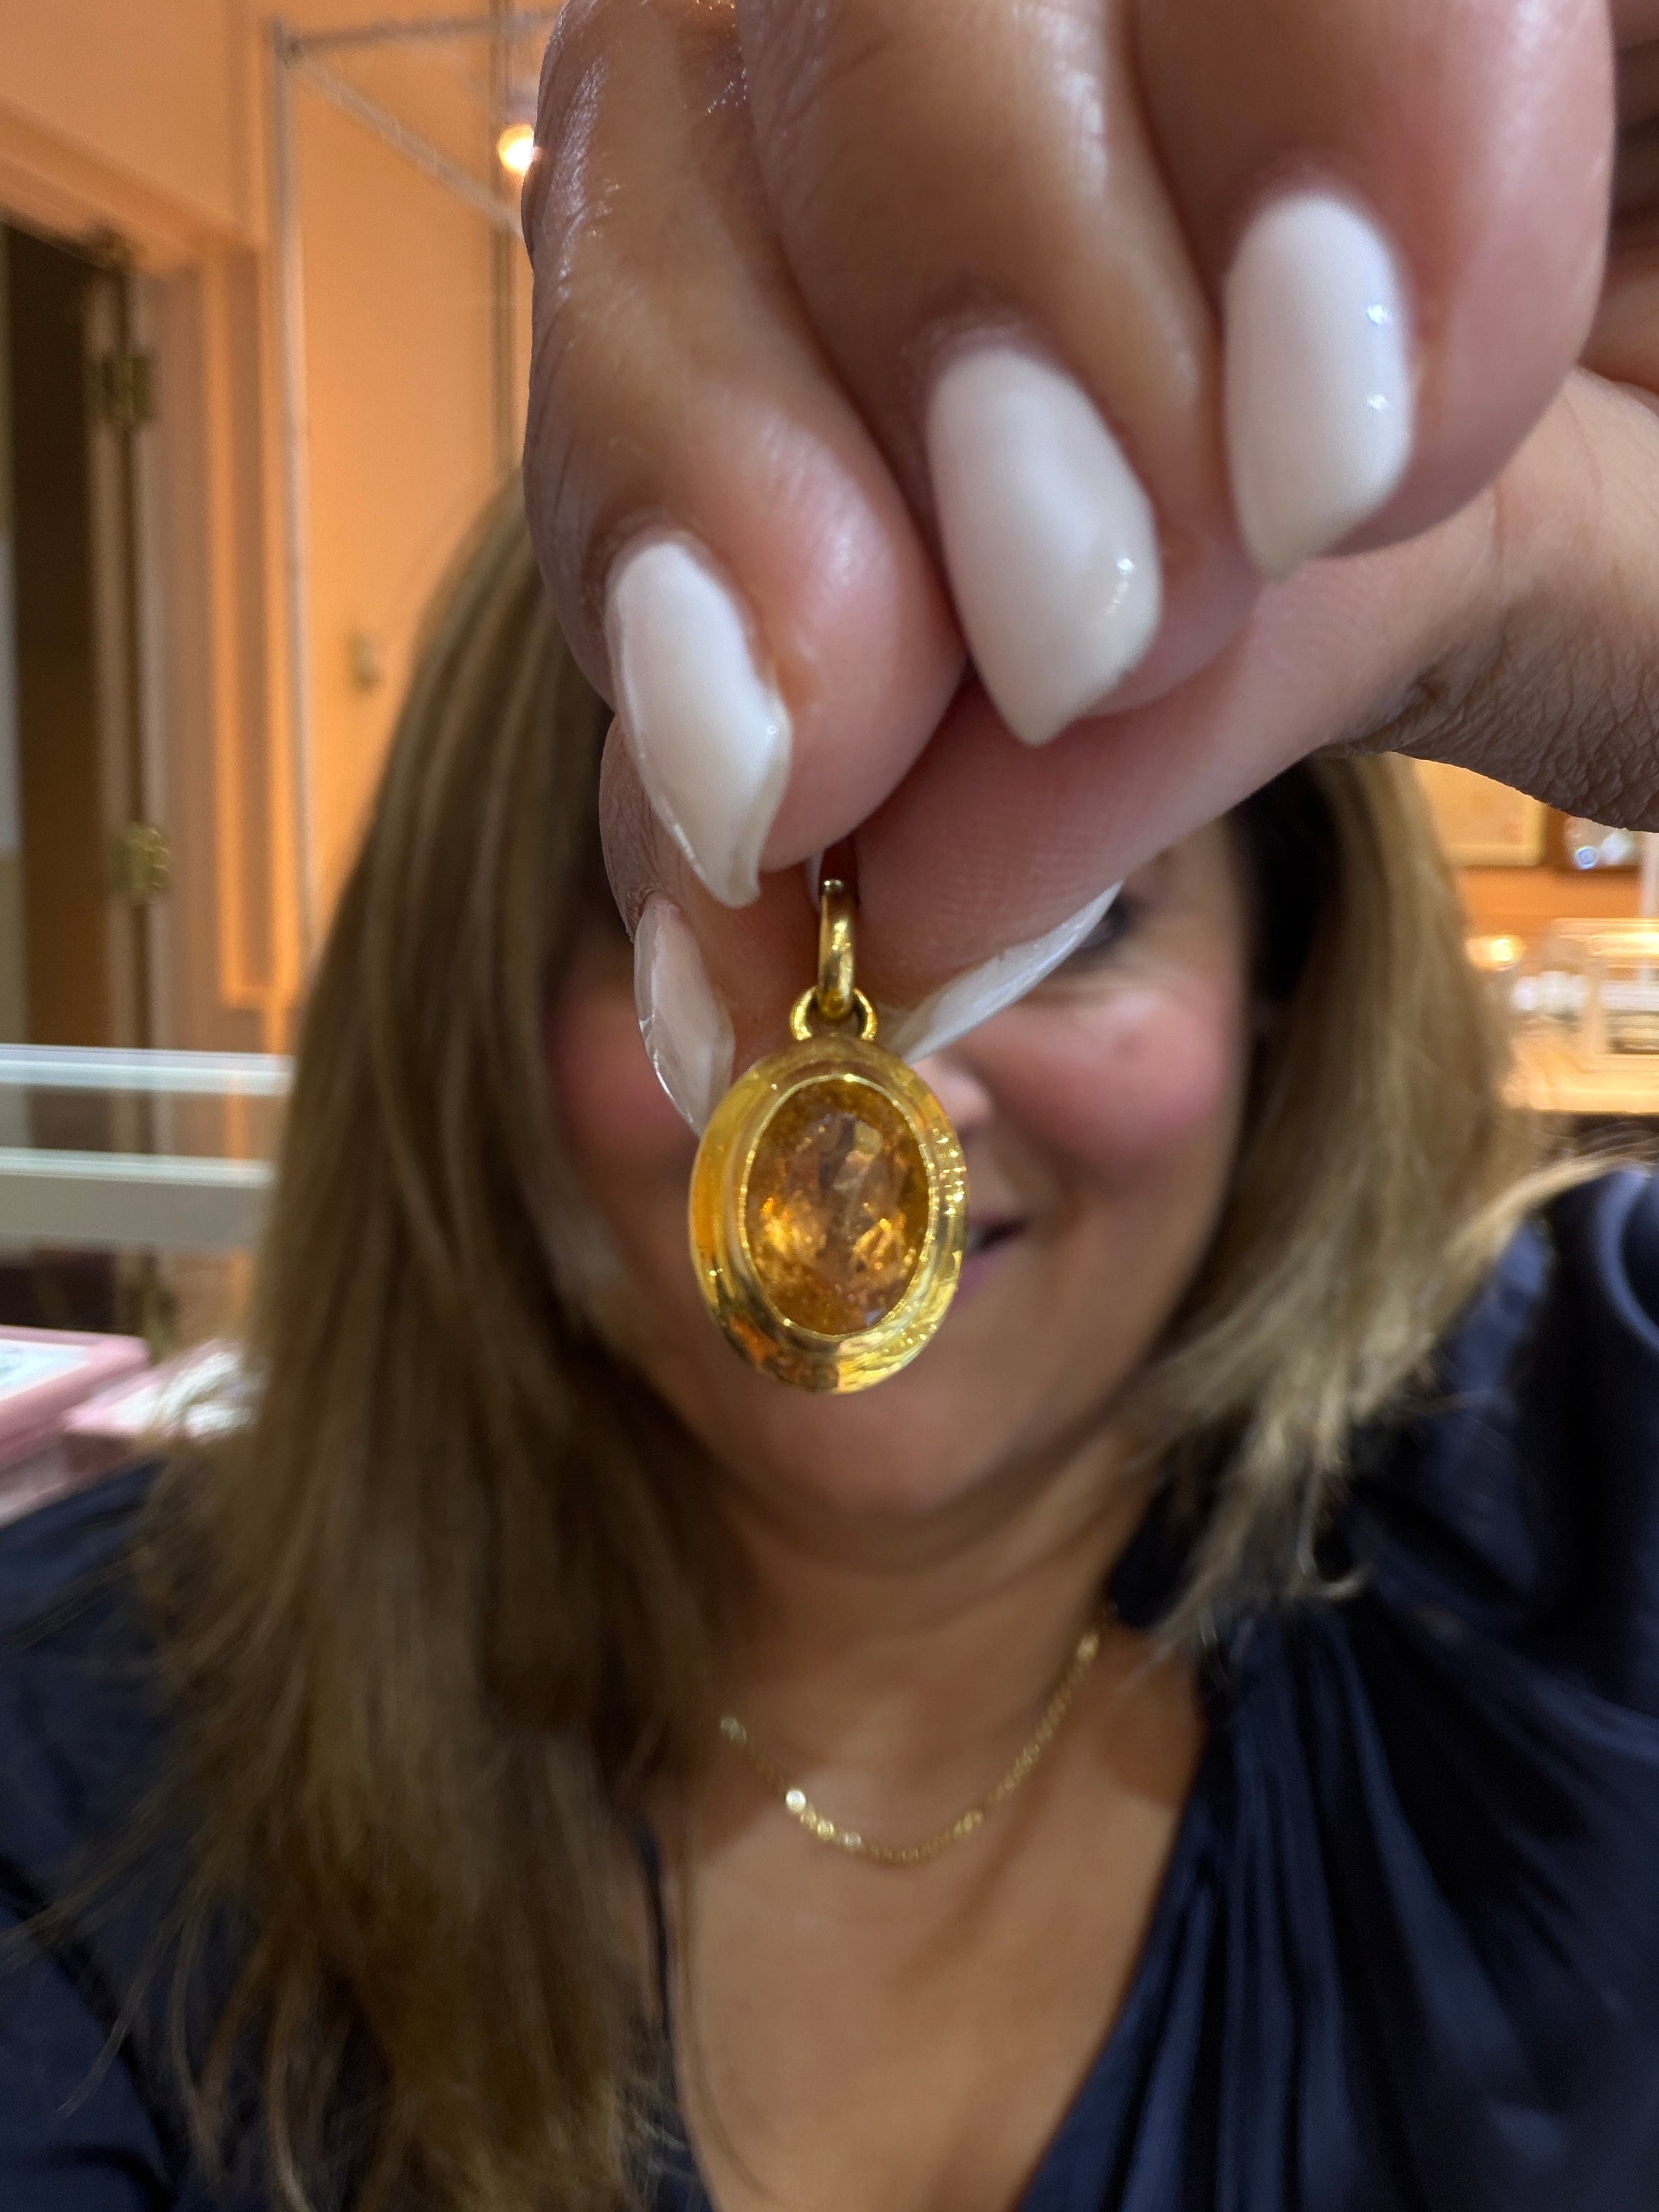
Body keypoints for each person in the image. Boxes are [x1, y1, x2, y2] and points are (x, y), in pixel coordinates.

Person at [4, 4, 1659, 2211]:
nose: (892, 1080)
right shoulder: (76, 1759)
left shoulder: (1585, 1517)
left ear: (1281, 996)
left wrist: (1585, 558)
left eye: (1077, 921)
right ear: (474, 1005)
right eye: (674, 921)